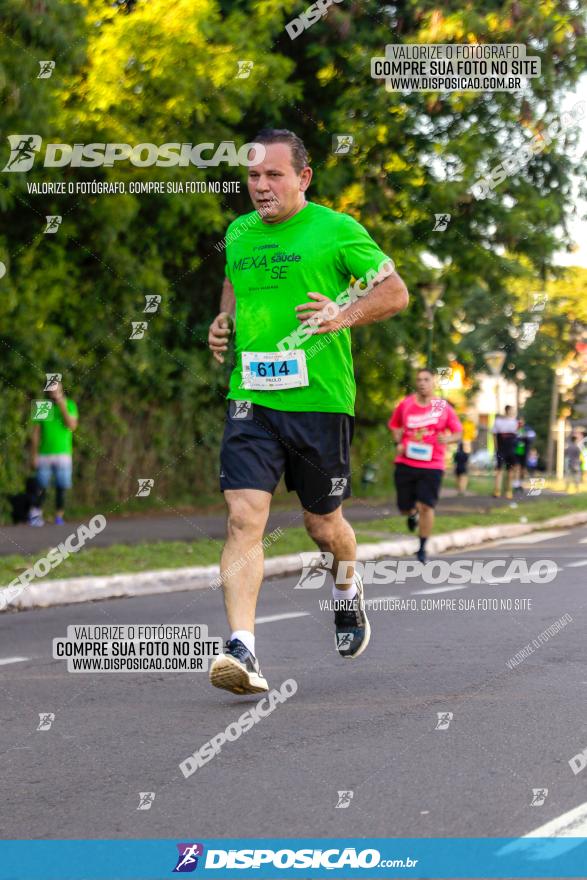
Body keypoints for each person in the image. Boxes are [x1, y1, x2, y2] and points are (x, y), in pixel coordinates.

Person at [207, 128, 409, 695]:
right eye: (253, 176)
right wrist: (224, 321)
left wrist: (343, 315)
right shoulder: (240, 232)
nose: (261, 186)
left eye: (274, 175)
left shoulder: (337, 229)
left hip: (319, 401)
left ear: (304, 177)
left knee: (325, 526)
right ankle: (241, 649)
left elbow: (395, 293)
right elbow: (233, 282)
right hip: (251, 396)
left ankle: (348, 591)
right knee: (244, 517)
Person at [388, 370, 462, 563]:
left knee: (426, 506)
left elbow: (458, 432)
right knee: (405, 507)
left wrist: (448, 437)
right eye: (419, 379)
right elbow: (395, 425)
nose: (422, 383)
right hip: (406, 462)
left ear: (433, 383)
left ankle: (422, 548)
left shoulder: (440, 406)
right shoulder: (407, 404)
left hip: (433, 464)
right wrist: (398, 442)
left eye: (426, 380)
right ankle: (411, 515)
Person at [30, 379, 78, 525]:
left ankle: (59, 516)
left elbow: (71, 426)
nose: (54, 393)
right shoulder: (43, 406)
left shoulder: (70, 404)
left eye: (56, 390)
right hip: (44, 454)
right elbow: (36, 434)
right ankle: (36, 515)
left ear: (61, 390)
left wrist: (62, 404)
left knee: (61, 487)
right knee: (40, 486)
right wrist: (33, 455)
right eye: (51, 391)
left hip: (63, 453)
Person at [492, 405, 518, 499]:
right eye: (511, 410)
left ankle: (509, 491)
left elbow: (517, 435)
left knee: (510, 470)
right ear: (507, 411)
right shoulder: (498, 421)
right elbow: (494, 435)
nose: (512, 412)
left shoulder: (515, 422)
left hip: (511, 449)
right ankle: (497, 490)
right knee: (499, 470)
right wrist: (496, 448)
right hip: (502, 449)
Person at [512, 417, 536, 495]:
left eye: (521, 421)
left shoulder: (528, 428)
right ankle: (516, 485)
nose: (520, 422)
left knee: (523, 468)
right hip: (516, 450)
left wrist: (525, 436)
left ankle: (520, 484)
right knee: (516, 467)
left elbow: (532, 437)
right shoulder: (514, 428)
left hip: (524, 450)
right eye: (518, 421)